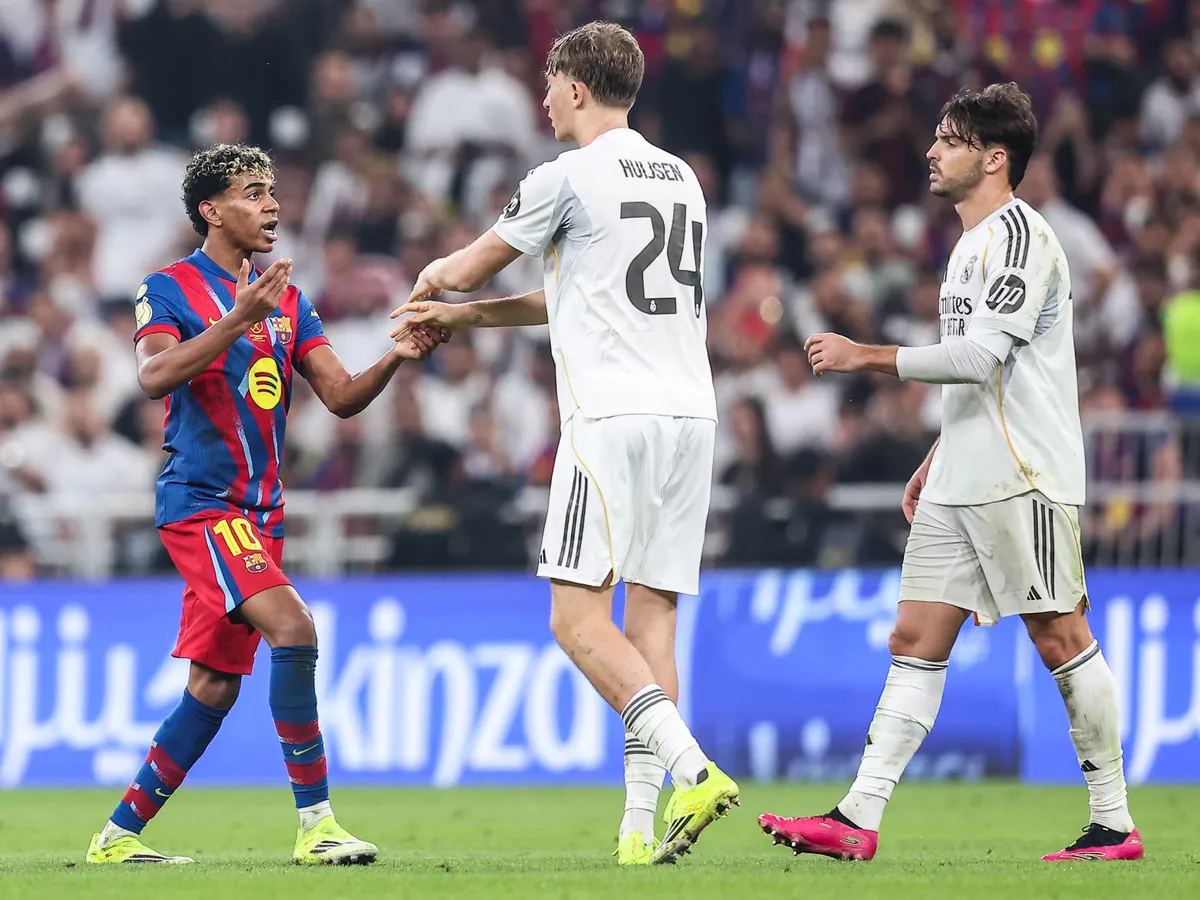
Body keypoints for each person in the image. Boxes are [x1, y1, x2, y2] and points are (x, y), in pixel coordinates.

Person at [757, 83, 1142, 863]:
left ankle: (1114, 822)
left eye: (951, 140)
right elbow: (984, 378)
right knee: (914, 637)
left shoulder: (1023, 239)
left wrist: (867, 355)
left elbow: (980, 356)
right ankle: (857, 817)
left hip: (1024, 475)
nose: (932, 152)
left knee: (1062, 636)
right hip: (963, 476)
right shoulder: (966, 246)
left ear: (995, 159)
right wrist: (937, 455)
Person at [391, 21, 738, 866]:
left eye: (548, 84)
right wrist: (468, 320)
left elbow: (466, 267)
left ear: (577, 89)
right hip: (690, 416)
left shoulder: (567, 175)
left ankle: (691, 768)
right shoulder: (681, 178)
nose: (542, 99)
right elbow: (581, 290)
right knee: (651, 614)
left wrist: (432, 283)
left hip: (610, 417)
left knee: (576, 619)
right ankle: (638, 825)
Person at [85, 143, 444, 866]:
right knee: (294, 627)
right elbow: (154, 376)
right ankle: (317, 826)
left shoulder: (287, 297)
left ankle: (116, 837)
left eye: (274, 191)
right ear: (211, 211)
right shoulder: (169, 286)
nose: (273, 205)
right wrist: (230, 321)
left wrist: (394, 357)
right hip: (203, 503)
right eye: (254, 193)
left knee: (214, 686)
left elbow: (340, 397)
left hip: (262, 515)